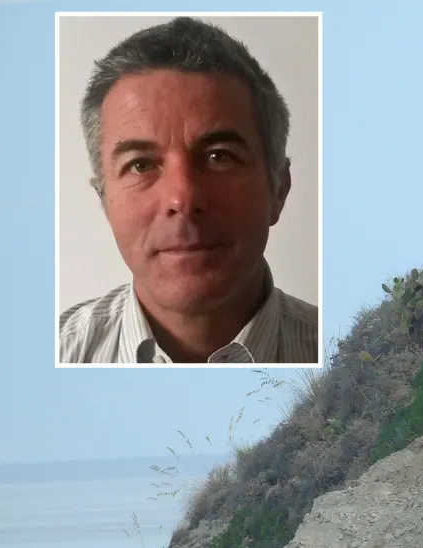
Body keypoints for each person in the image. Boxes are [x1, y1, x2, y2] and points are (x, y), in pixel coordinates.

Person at [59, 16, 318, 364]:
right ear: (104, 201)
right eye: (140, 165)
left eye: (219, 157)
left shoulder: (358, 357)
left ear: (279, 189)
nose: (183, 198)